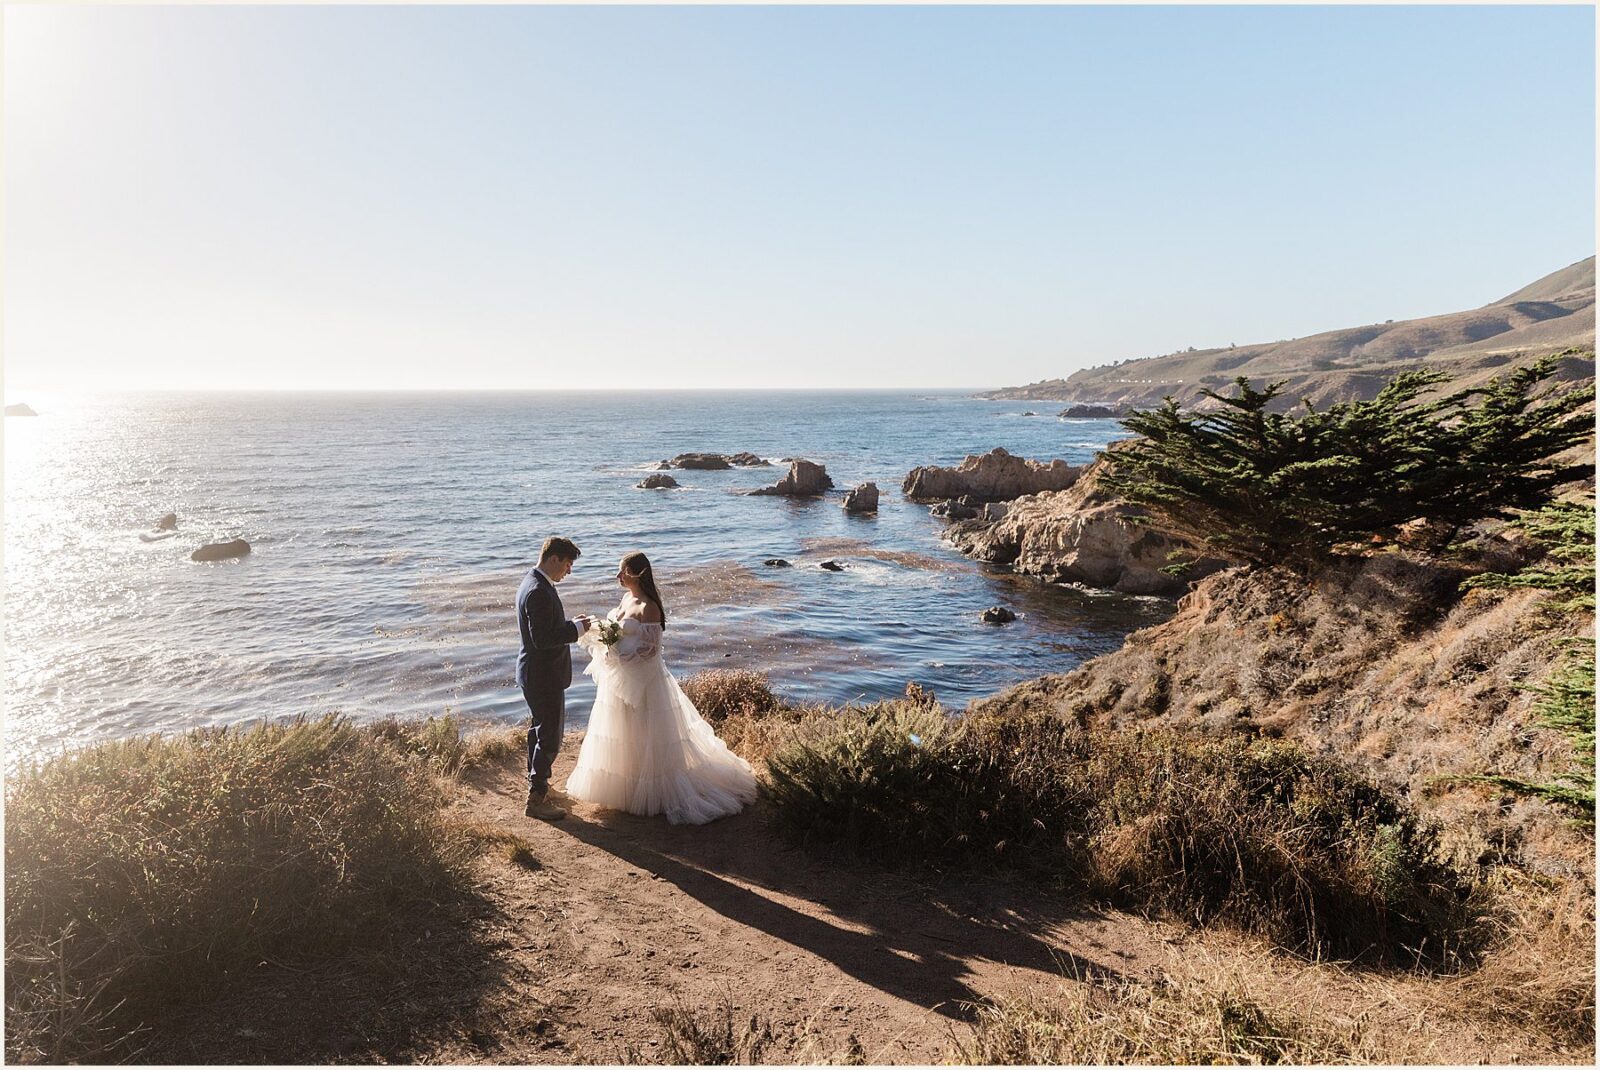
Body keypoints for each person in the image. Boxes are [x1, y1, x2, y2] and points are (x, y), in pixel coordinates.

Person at [565, 552, 758, 824]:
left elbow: (650, 651)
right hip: (619, 678)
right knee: (622, 731)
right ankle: (628, 785)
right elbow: (619, 632)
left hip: (643, 681)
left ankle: (652, 790)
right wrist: (600, 634)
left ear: (637, 574)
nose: (618, 576)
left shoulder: (650, 607)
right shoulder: (626, 598)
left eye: (622, 571)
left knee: (646, 731)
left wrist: (618, 657)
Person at [515, 536, 592, 821]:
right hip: (543, 675)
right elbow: (543, 639)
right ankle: (536, 799)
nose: (569, 571)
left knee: (538, 731)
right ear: (554, 558)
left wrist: (571, 624)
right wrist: (576, 630)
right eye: (568, 564)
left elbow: (545, 628)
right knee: (550, 736)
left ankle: (539, 785)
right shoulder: (538, 590)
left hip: (535, 673)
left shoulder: (533, 581)